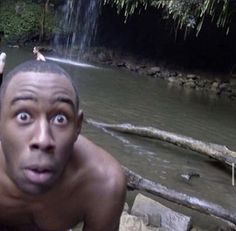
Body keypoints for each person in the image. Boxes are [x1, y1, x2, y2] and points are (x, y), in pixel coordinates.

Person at [0, 60, 126, 231]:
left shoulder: (103, 182)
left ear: (78, 127)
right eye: (23, 116)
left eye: (60, 119)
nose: (43, 140)